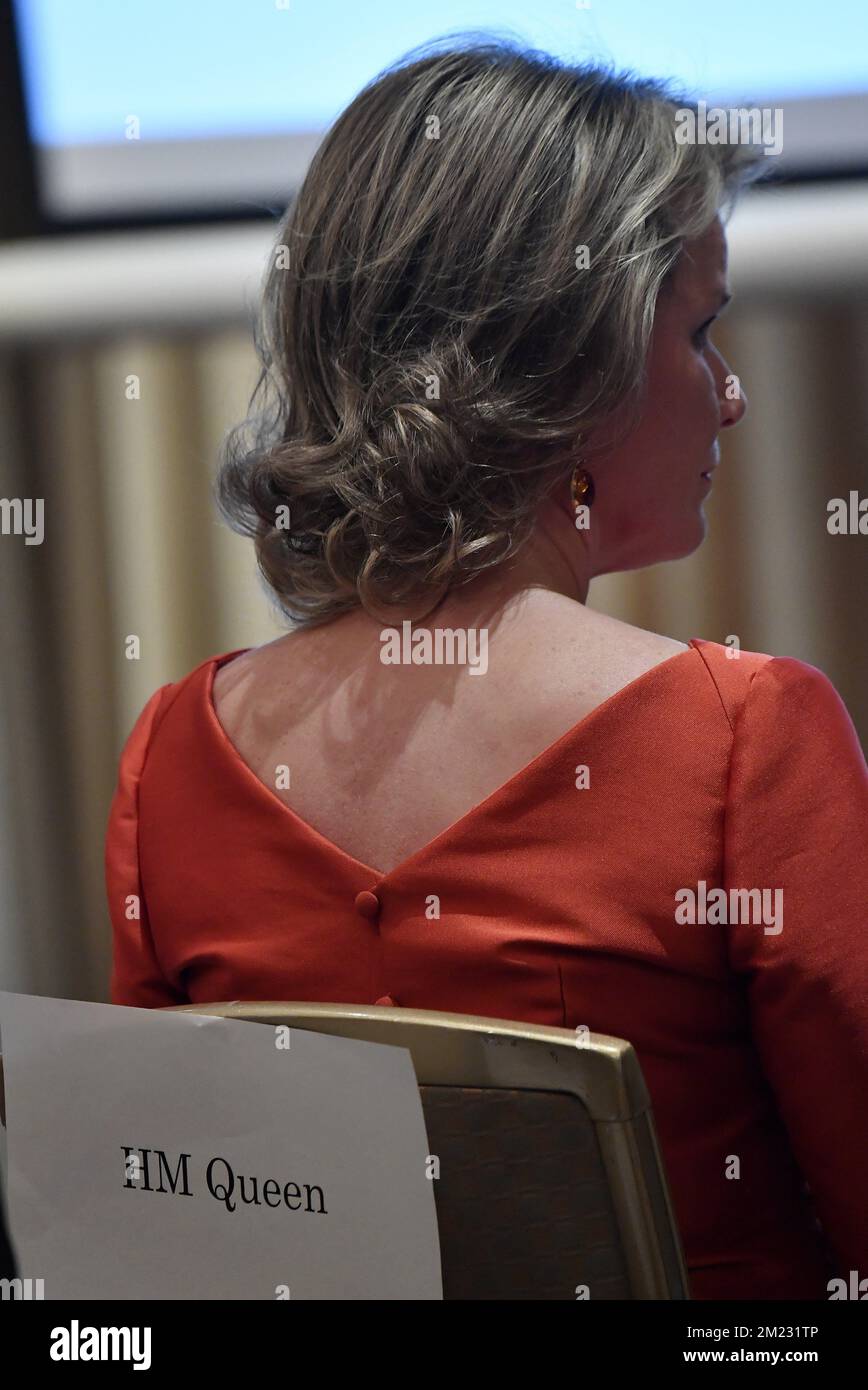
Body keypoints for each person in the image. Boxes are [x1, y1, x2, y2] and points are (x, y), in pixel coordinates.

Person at [105, 39, 868, 1300]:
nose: (730, 399)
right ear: (574, 356)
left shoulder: (167, 758)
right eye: (700, 330)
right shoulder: (746, 735)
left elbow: (167, 1255)